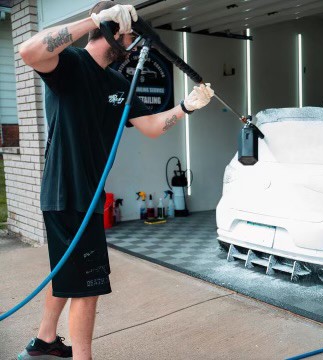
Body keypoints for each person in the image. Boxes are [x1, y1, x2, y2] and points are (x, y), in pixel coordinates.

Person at [17, 1, 214, 359]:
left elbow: (152, 127)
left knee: (68, 272)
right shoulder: (69, 63)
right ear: (111, 30)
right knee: (87, 287)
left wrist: (186, 107)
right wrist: (94, 19)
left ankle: (45, 341)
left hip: (88, 196)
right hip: (67, 193)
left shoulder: (119, 82)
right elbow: (28, 51)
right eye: (130, 32)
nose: (134, 41)